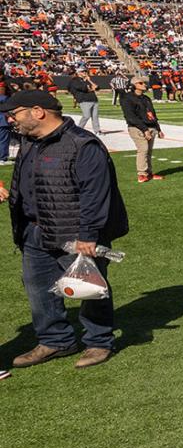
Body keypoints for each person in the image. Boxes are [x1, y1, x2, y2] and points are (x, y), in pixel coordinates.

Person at [5, 89, 127, 370]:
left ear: (38, 111)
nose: (11, 120)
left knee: (89, 288)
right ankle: (55, 340)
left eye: (14, 114)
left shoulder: (82, 144)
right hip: (34, 229)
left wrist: (88, 235)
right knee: (38, 290)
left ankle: (98, 341)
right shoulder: (29, 141)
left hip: (74, 233)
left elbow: (95, 193)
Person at [120, 77, 164, 184]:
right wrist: (144, 129)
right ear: (134, 85)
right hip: (137, 128)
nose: (144, 84)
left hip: (150, 127)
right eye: (141, 83)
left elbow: (152, 114)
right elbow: (130, 117)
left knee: (148, 151)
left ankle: (149, 173)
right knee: (143, 149)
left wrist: (158, 129)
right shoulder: (127, 98)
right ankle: (141, 174)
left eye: (144, 82)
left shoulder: (146, 98)